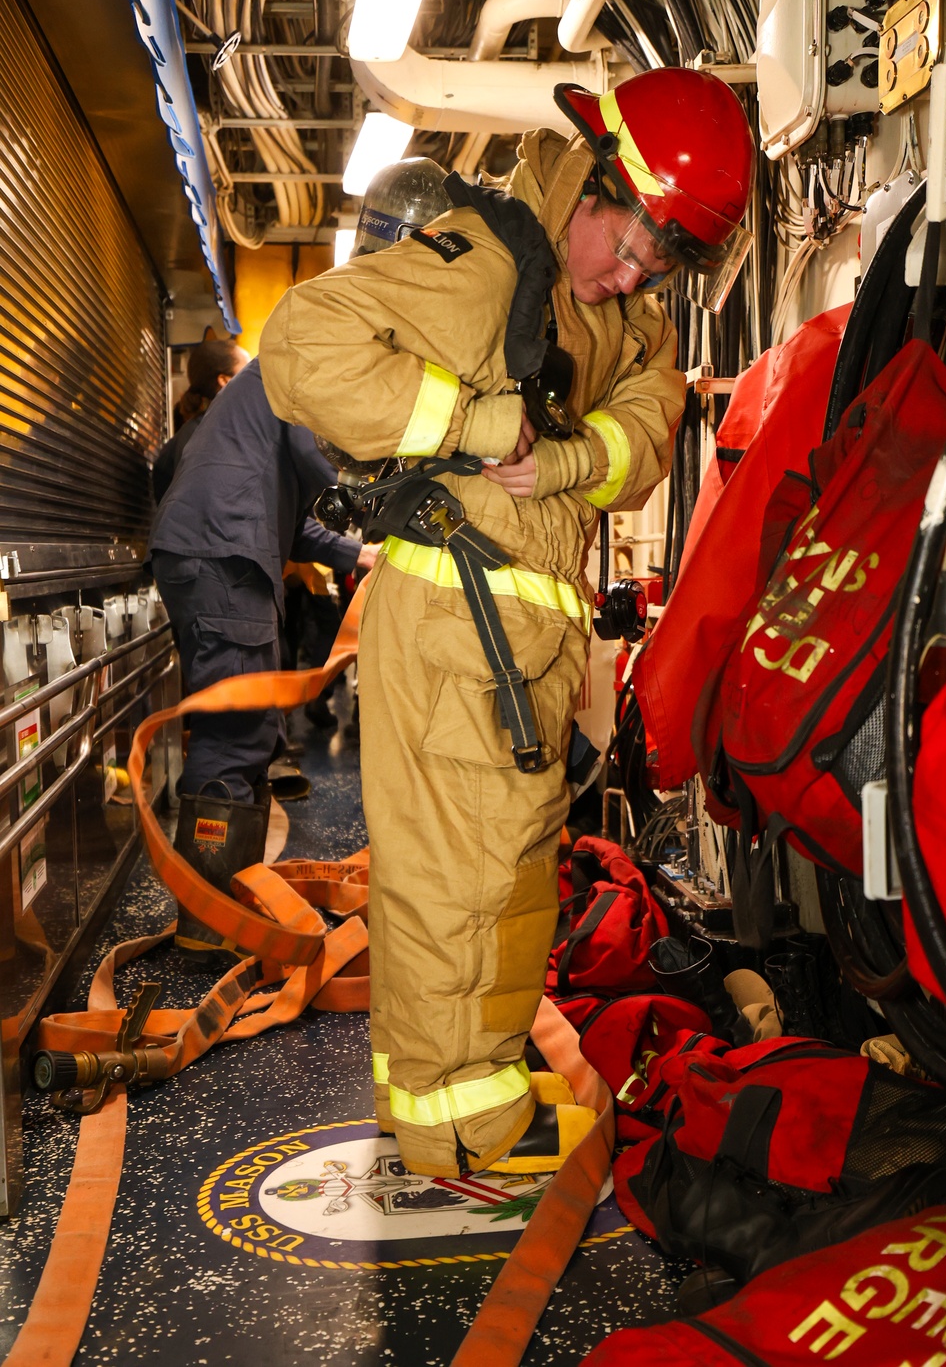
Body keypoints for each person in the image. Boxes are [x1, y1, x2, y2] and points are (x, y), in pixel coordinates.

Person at [258, 69, 755, 1178]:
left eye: (659, 258)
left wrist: (572, 455)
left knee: (508, 873)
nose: (631, 273)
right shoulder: (489, 270)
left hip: (513, 645)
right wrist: (478, 419)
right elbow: (302, 346)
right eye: (625, 239)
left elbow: (648, 417)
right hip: (451, 630)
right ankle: (453, 1125)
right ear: (590, 178)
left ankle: (472, 1085)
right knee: (456, 881)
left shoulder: (614, 315)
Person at [148, 357, 370, 958]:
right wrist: (378, 504)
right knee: (237, 730)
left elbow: (299, 529)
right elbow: (322, 461)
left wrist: (362, 556)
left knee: (241, 724)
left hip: (214, 549)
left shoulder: (268, 392)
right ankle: (208, 923)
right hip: (224, 554)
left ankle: (223, 907)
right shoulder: (304, 361)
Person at [153, 338, 249, 501]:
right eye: (247, 372)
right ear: (225, 381)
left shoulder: (202, 433)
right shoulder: (209, 438)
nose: (257, 382)